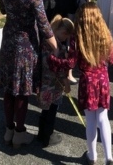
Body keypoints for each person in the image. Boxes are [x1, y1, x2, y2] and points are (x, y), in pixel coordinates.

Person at [0, 0, 58, 148]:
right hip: (26, 44)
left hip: (8, 41)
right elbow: (43, 23)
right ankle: (20, 133)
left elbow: (2, 9)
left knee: (9, 87)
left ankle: (8, 130)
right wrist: (55, 45)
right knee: (22, 90)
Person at [49, 2, 113, 165]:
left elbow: (71, 63)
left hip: (87, 81)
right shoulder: (105, 35)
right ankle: (109, 157)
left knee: (91, 120)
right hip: (103, 80)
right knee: (103, 117)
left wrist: (54, 60)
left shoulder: (76, 38)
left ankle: (92, 155)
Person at [37, 15, 74, 148]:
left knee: (44, 110)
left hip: (44, 82)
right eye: (66, 37)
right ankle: (48, 136)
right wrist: (66, 83)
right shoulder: (60, 48)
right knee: (52, 111)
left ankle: (41, 133)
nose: (66, 40)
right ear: (64, 33)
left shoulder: (45, 42)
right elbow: (60, 69)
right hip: (55, 86)